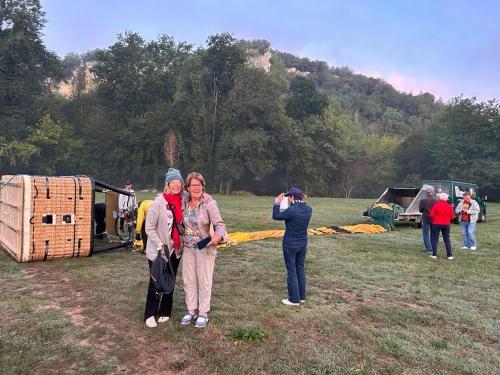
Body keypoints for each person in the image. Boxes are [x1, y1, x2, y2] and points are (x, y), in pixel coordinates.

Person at [180, 172, 226, 329]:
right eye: (193, 185)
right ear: (188, 187)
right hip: (188, 247)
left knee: (204, 280)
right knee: (189, 279)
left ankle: (203, 312)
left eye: (199, 185)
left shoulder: (209, 203)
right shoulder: (184, 200)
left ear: (202, 187)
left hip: (205, 248)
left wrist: (217, 238)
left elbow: (220, 224)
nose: (196, 188)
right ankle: (191, 310)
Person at [143, 169, 185, 328]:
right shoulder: (158, 203)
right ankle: (150, 313)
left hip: (175, 250)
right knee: (155, 280)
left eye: (179, 182)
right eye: (173, 182)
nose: (176, 184)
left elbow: (198, 195)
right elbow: (149, 228)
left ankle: (166, 311)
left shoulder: (183, 200)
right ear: (167, 184)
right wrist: (160, 244)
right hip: (158, 251)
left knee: (170, 280)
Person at [273, 187, 313, 306]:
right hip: (302, 243)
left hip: (290, 244)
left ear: (291, 197)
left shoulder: (291, 211)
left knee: (292, 270)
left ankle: (294, 299)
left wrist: (277, 202)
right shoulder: (308, 209)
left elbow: (276, 215)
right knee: (300, 268)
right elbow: (299, 207)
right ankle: (301, 297)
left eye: (288, 197)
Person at [428, 193, 455, 260]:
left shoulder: (436, 205)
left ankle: (434, 254)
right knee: (447, 239)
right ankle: (449, 255)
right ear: (446, 199)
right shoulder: (449, 206)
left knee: (435, 239)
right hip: (446, 224)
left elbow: (431, 215)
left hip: (436, 223)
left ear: (439, 198)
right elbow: (452, 217)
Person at [419, 185, 437, 253]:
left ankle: (429, 249)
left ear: (426, 193)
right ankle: (433, 248)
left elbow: (420, 210)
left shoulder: (423, 200)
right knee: (433, 234)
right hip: (434, 219)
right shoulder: (437, 200)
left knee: (426, 234)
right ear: (433, 192)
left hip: (426, 219)